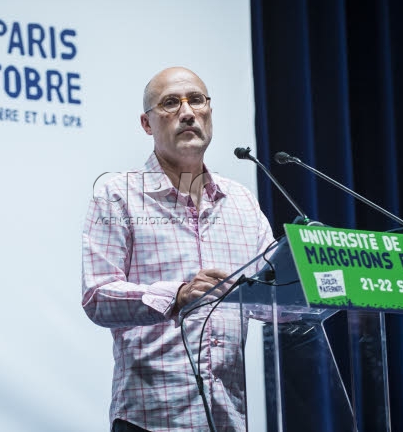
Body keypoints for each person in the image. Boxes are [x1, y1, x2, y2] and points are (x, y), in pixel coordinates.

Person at [82, 67, 275, 431]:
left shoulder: (241, 201)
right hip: (151, 420)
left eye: (196, 100)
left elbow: (276, 293)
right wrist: (178, 295)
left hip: (226, 419)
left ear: (209, 111)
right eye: (171, 103)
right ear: (147, 123)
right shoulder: (118, 195)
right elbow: (97, 296)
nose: (187, 112)